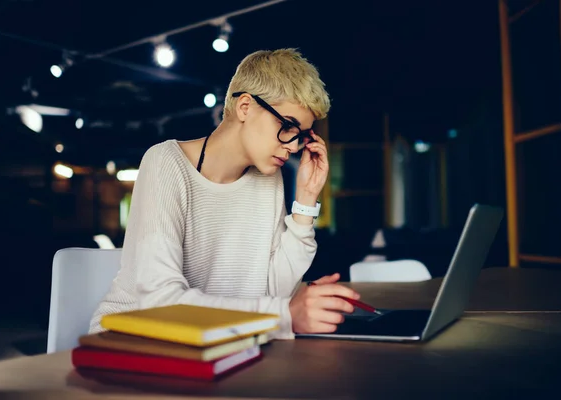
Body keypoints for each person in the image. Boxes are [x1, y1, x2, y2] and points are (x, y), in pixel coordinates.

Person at [88, 48, 360, 339]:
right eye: (287, 126)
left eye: (302, 135)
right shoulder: (166, 162)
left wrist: (306, 200)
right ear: (245, 107)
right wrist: (284, 315)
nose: (294, 146)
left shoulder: (269, 179)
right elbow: (160, 302)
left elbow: (272, 293)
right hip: (129, 343)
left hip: (217, 344)